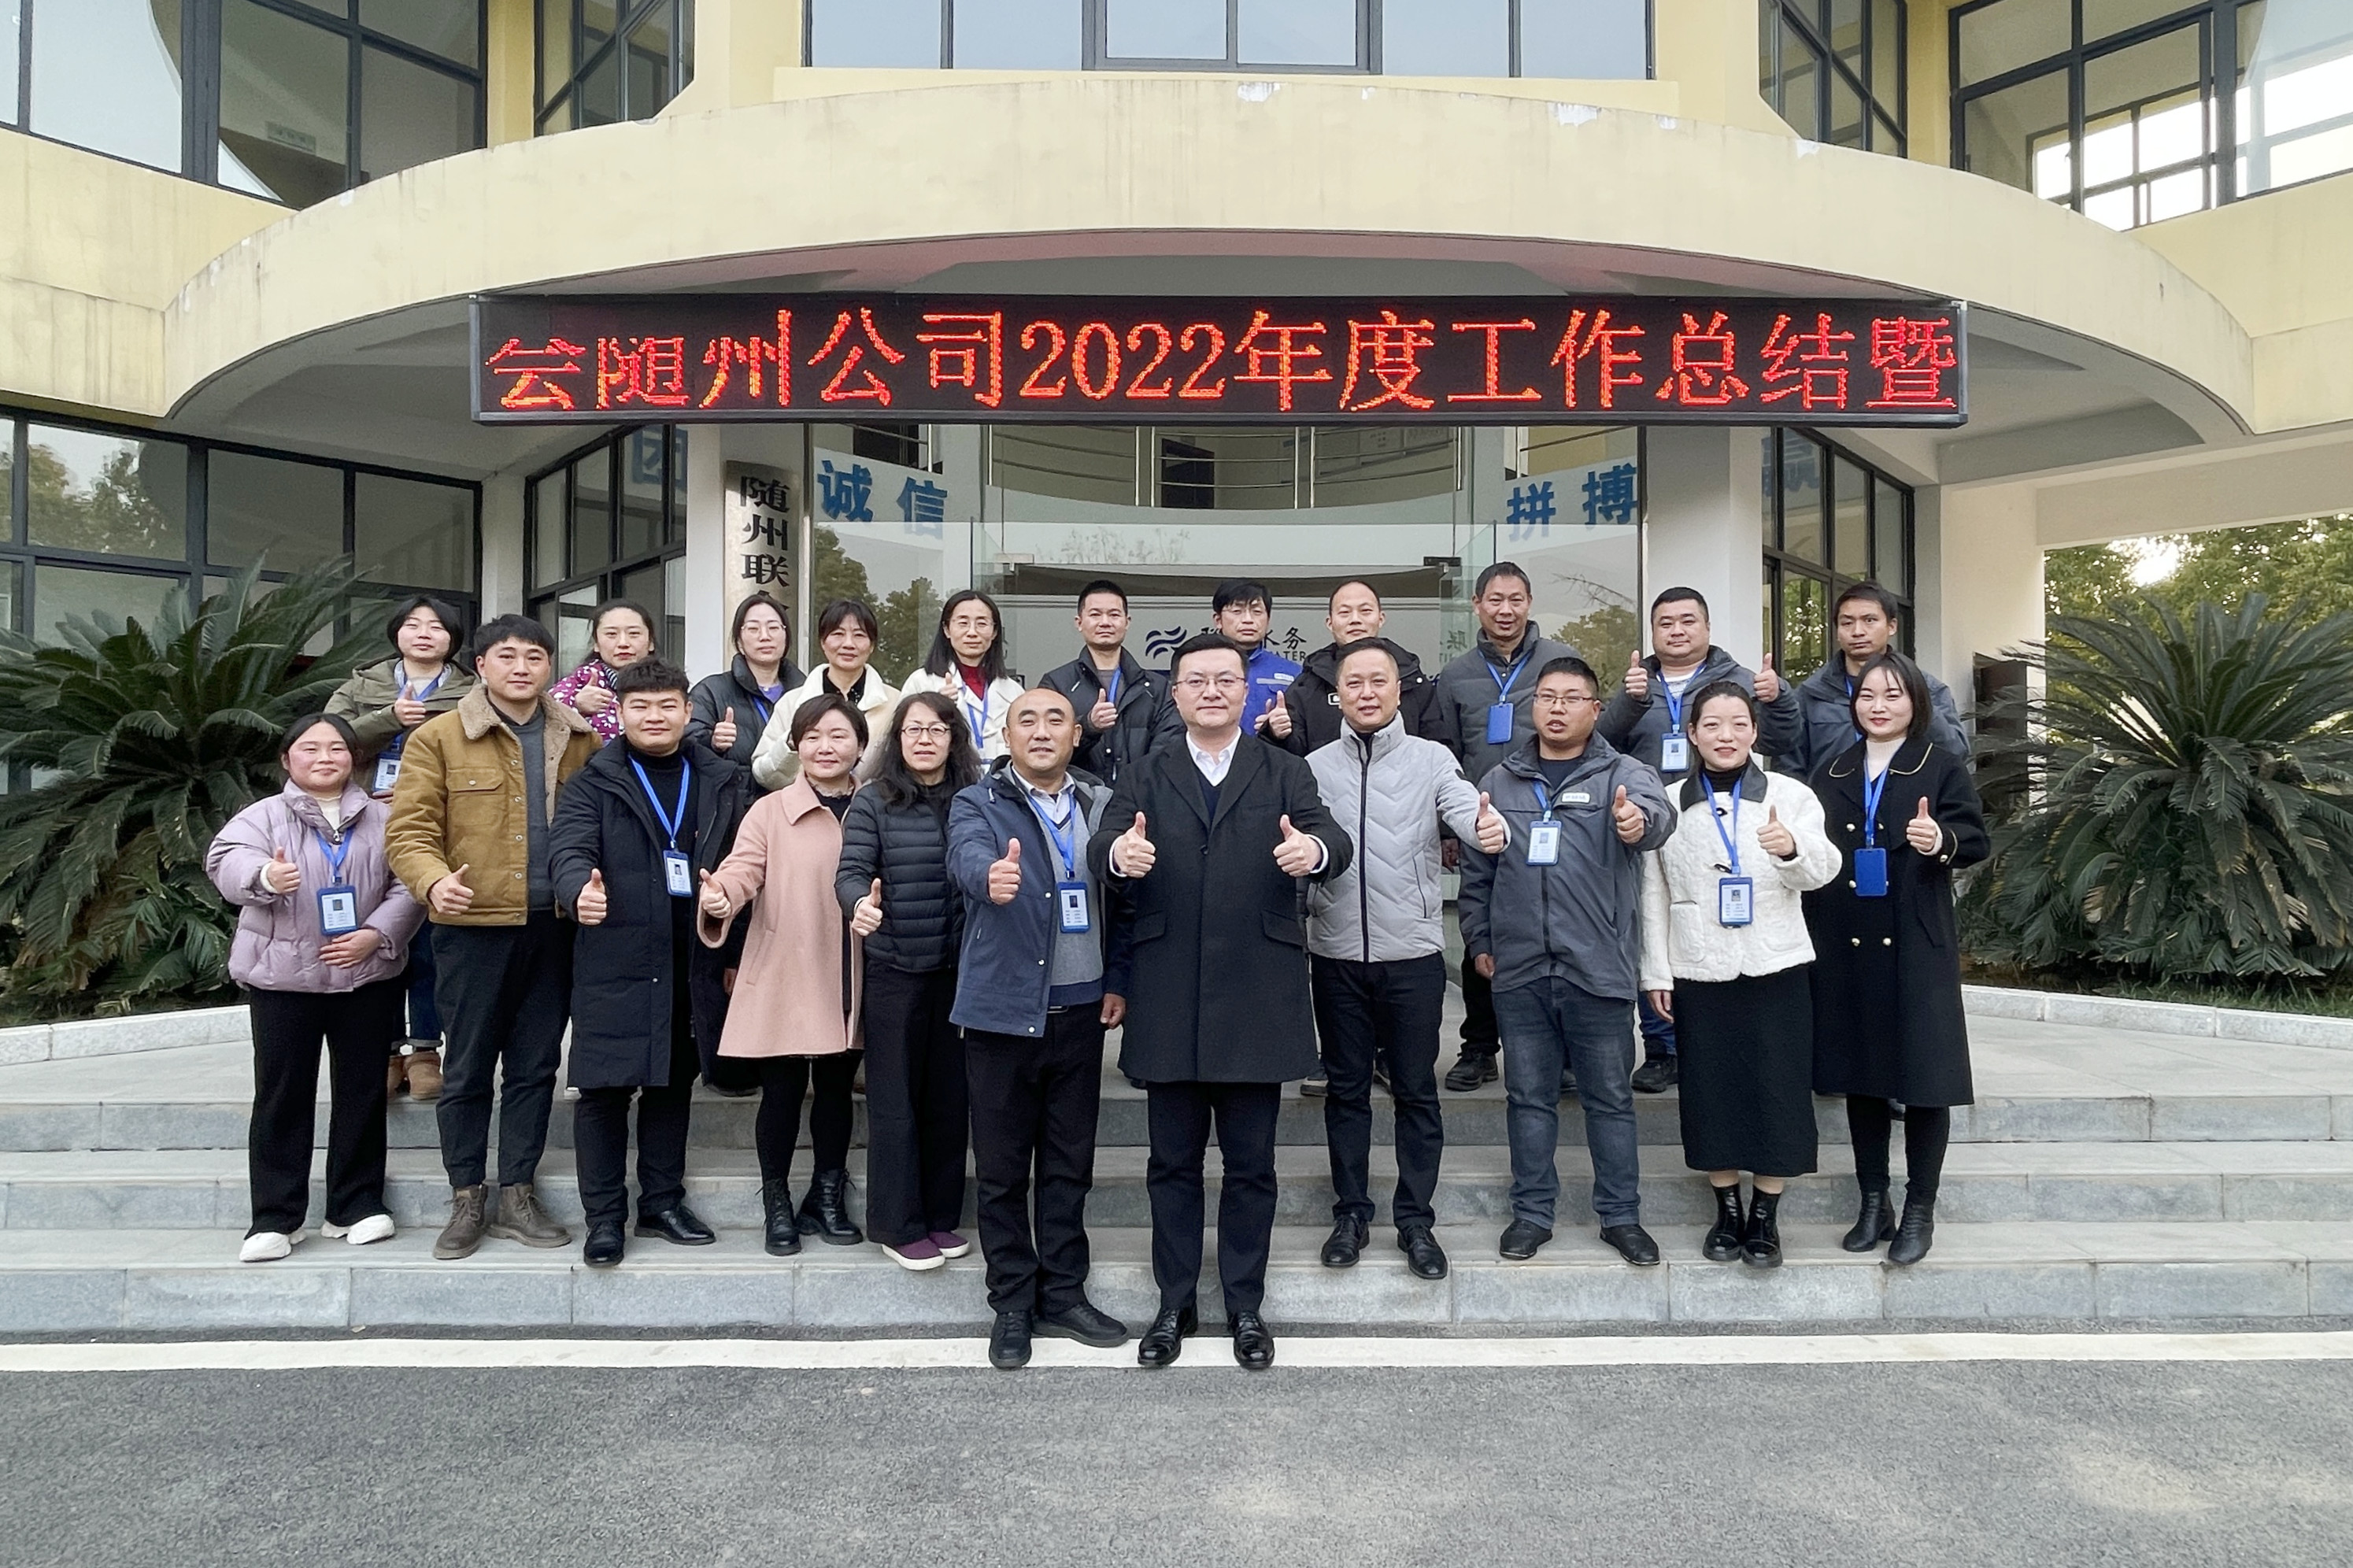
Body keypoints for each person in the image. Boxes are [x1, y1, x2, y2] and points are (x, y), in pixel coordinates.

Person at [1090, 634, 1351, 1371]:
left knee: (1251, 1167)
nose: (1211, 690)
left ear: (1246, 692)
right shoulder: (1145, 772)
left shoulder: (1285, 769)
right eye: (1196, 680)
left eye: (1225, 680)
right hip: (1168, 988)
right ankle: (1173, 1304)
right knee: (1170, 1164)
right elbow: (1102, 845)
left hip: (1255, 991)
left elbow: (1331, 839)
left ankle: (1244, 1306)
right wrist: (1118, 857)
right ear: (1174, 693)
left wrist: (1313, 853)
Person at [387, 614, 599, 1261]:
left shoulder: (580, 738)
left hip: (554, 927)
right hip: (472, 928)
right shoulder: (439, 737)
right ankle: (465, 1195)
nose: (521, 667)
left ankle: (517, 1194)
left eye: (535, 656)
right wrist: (431, 882)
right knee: (468, 1066)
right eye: (507, 656)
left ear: (549, 667)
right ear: (480, 665)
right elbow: (408, 830)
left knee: (536, 1066)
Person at [1459, 657, 1675, 1265]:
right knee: (1528, 1098)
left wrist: (1635, 822)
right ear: (1532, 707)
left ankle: (1621, 1216)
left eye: (1572, 698)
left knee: (1609, 1099)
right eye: (1547, 696)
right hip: (1520, 968)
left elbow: (1658, 819)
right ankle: (1531, 1214)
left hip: (1598, 966)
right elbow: (1476, 873)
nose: (1557, 708)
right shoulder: (1500, 780)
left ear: (1595, 709)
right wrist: (1479, 941)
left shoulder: (1623, 774)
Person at [1303, 641, 1507, 1282]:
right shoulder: (1311, 767)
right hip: (1335, 953)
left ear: (1398, 691)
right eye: (1354, 683)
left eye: (1378, 682)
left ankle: (1416, 1220)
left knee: (1416, 1092)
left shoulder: (1432, 758)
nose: (1366, 693)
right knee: (1345, 1093)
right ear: (1338, 694)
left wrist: (1487, 829)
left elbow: (1464, 810)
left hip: (1412, 956)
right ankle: (1350, 1214)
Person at [947, 686, 1134, 1369]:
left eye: (1056, 719)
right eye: (1026, 720)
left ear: (1076, 734)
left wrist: (1118, 980)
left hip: (1081, 1012)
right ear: (1007, 735)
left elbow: (1124, 900)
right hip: (1002, 1012)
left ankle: (1063, 1292)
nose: (1042, 730)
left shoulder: (1099, 802)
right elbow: (964, 857)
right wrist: (988, 877)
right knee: (1001, 1172)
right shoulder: (978, 802)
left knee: (1068, 1165)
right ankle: (1011, 1303)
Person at [549, 658, 748, 1268]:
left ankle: (661, 1203)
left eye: (667, 705)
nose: (654, 716)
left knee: (671, 1085)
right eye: (640, 706)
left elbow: (744, 862)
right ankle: (605, 1219)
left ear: (687, 711)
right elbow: (568, 848)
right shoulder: (592, 781)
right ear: (621, 714)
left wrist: (731, 945)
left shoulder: (722, 779)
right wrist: (576, 890)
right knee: (603, 1092)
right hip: (615, 954)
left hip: (693, 957)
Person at [206, 714, 423, 1263]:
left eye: (336, 748)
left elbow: (410, 881)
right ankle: (275, 1218)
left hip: (365, 977)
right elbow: (226, 860)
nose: (325, 758)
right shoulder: (262, 817)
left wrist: (375, 935)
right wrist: (264, 877)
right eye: (310, 748)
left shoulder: (384, 817)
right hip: (283, 979)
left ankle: (356, 1205)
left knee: (363, 1092)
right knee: (281, 1095)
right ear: (287, 759)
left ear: (353, 758)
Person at [1640, 682, 1840, 1268]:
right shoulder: (1668, 803)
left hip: (1775, 964)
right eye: (1712, 725)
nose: (1725, 736)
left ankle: (1765, 1216)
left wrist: (1790, 849)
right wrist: (1656, 972)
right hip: (1698, 966)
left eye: (1737, 724)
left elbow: (1823, 871)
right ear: (1692, 734)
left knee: (1779, 1089)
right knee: (1711, 1091)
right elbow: (1652, 895)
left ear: (1754, 732)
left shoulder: (1790, 795)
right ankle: (1726, 1209)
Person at [1804, 652, 1990, 1267]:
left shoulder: (1939, 764)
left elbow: (1974, 841)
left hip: (1914, 939)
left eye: (1891, 695)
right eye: (1866, 696)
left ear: (1915, 702)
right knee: (1862, 1077)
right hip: (1844, 939)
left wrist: (1940, 840)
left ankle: (1918, 1209)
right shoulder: (1832, 769)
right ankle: (1872, 1202)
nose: (1877, 706)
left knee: (1925, 1079)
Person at [1598, 586, 1800, 1095]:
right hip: (1653, 821)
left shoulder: (1739, 681)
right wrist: (1629, 701)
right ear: (1652, 632)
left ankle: (1715, 1041)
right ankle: (1661, 1048)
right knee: (1653, 925)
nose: (1676, 631)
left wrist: (1778, 699)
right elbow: (1602, 743)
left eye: (1687, 621)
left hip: (1723, 822)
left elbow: (1782, 741)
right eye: (1665, 623)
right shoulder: (1638, 682)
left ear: (1707, 628)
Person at [698, 693, 869, 1252]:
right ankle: (776, 1202)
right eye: (813, 736)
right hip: (789, 965)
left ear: (861, 745)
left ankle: (826, 1196)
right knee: (782, 1092)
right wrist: (722, 896)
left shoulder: (876, 806)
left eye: (839, 735)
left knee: (837, 1090)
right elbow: (743, 867)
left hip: (853, 968)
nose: (825, 747)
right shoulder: (770, 810)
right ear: (795, 744)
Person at [835, 691, 981, 1270]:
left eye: (937, 729)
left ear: (954, 739)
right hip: (895, 969)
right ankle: (898, 1225)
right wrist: (859, 905)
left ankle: (940, 1215)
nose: (925, 739)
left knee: (948, 1100)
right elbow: (850, 871)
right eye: (913, 729)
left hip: (958, 971)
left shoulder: (974, 797)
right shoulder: (874, 800)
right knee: (896, 1103)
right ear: (896, 740)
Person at [1433, 561, 1578, 1092]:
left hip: (1553, 816)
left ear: (1529, 602)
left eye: (1515, 599)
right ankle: (1478, 1047)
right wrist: (1449, 828)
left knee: (1557, 928)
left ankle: (1563, 1051)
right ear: (1477, 605)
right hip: (1482, 822)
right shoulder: (1455, 675)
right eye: (1494, 600)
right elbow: (1446, 756)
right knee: (1481, 928)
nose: (1505, 610)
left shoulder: (1560, 661)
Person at [325, 594, 474, 1106]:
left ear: (452, 639)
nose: (424, 634)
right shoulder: (359, 686)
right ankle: (386, 1053)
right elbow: (330, 743)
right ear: (397, 634)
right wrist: (388, 717)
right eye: (413, 625)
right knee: (378, 939)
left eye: (436, 626)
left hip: (436, 827)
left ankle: (426, 1052)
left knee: (428, 944)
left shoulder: (471, 691)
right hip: (365, 823)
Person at [1781, 582, 1970, 777]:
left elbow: (1956, 752)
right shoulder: (1812, 693)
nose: (1858, 631)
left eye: (1869, 620)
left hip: (1908, 795)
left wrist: (1918, 701)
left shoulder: (1927, 688)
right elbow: (1789, 768)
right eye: (1847, 623)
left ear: (1892, 626)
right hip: (1830, 796)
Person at [1268, 579, 1450, 756]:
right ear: (1330, 623)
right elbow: (1290, 760)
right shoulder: (1309, 683)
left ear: (1381, 618)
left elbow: (1438, 749)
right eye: (1345, 613)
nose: (1355, 620)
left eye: (1365, 611)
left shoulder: (1411, 677)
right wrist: (1278, 734)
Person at [1040, 579, 1180, 791]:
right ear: (1079, 622)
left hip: (1141, 798)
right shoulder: (1057, 683)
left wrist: (1138, 790)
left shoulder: (1157, 688)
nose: (1105, 622)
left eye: (1114, 615)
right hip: (1076, 799)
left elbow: (1169, 748)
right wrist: (1088, 727)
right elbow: (1045, 747)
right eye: (1095, 615)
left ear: (1127, 622)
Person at [753, 597, 901, 788]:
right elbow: (763, 774)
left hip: (872, 805)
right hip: (804, 804)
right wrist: (791, 745)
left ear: (872, 645)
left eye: (859, 635)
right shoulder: (792, 702)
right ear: (823, 642)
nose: (849, 644)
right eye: (838, 634)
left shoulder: (895, 702)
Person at [687, 590, 805, 784]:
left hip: (795, 799)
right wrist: (712, 742)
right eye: (753, 629)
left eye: (773, 628)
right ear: (739, 641)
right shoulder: (711, 691)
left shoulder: (807, 692)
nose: (765, 636)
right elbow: (686, 743)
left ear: (786, 637)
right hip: (736, 799)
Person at [901, 589, 1027, 760]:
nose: (972, 632)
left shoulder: (1012, 690)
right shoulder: (922, 681)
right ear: (947, 629)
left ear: (995, 632)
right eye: (963, 623)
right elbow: (902, 738)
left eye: (982, 624)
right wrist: (936, 709)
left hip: (1001, 775)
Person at [550, 597, 659, 745]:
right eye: (611, 634)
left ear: (650, 642)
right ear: (596, 644)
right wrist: (576, 705)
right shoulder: (578, 685)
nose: (623, 643)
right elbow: (543, 717)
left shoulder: (669, 683)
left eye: (634, 634)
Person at [1211, 579, 1301, 735]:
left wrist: (1280, 730)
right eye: (1237, 611)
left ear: (1268, 620)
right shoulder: (1199, 668)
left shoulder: (1294, 672)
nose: (1248, 620)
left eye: (1257, 612)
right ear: (1218, 620)